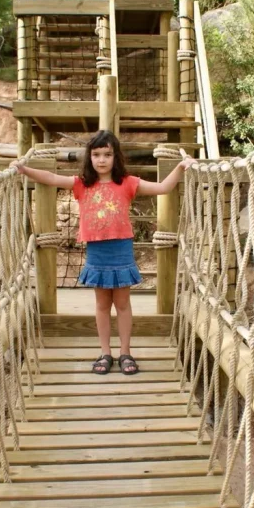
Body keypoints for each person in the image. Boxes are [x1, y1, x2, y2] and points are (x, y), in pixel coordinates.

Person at [17, 130, 194, 375]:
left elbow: (163, 187)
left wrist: (182, 167)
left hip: (120, 250)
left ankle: (125, 352)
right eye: (96, 154)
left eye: (107, 154)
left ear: (115, 157)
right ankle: (105, 353)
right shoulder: (82, 184)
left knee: (122, 304)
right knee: (102, 304)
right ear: (89, 157)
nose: (101, 160)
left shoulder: (128, 183)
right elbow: (51, 177)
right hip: (96, 251)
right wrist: (25, 170)